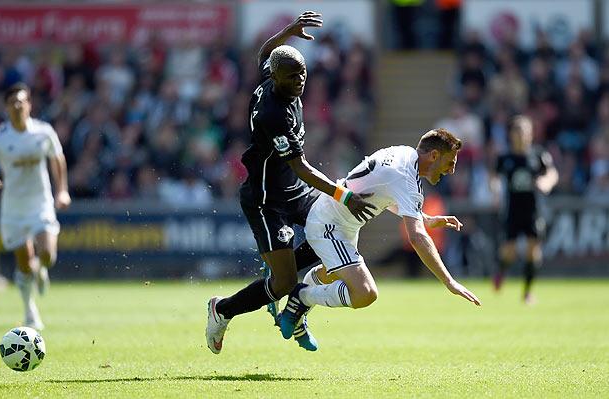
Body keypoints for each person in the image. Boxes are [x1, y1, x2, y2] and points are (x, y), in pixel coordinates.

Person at [206, 11, 376, 354]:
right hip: (267, 200)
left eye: (302, 73)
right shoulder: (274, 113)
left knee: (330, 231)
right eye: (292, 76)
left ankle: (292, 297)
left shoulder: (273, 74)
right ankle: (222, 309)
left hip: (295, 193)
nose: (300, 80)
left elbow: (263, 54)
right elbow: (301, 167)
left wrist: (287, 32)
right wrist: (343, 195)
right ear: (277, 79)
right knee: (283, 282)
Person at [277, 128, 482, 341]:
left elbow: (386, 192)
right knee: (365, 293)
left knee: (330, 274)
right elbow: (417, 237)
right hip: (329, 224)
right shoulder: (405, 176)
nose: (451, 171)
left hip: (341, 222)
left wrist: (425, 218)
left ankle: (296, 314)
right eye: (451, 163)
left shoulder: (404, 154)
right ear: (434, 156)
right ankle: (302, 297)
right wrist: (449, 281)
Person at [0, 83, 71, 330]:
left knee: (48, 256)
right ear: (6, 107)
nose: (18, 106)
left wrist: (62, 191)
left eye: (21, 101)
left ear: (29, 104)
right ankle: (30, 311)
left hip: (40, 203)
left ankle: (42, 270)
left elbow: (57, 158)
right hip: (13, 209)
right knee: (24, 264)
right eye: (12, 102)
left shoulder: (43, 132)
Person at [492, 115, 558, 304]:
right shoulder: (505, 158)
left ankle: (527, 292)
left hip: (533, 210)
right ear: (511, 134)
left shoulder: (538, 155)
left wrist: (546, 182)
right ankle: (502, 271)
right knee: (509, 251)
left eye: (526, 132)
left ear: (531, 134)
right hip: (513, 209)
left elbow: (552, 172)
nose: (522, 136)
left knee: (533, 250)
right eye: (518, 131)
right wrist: (495, 192)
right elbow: (494, 177)